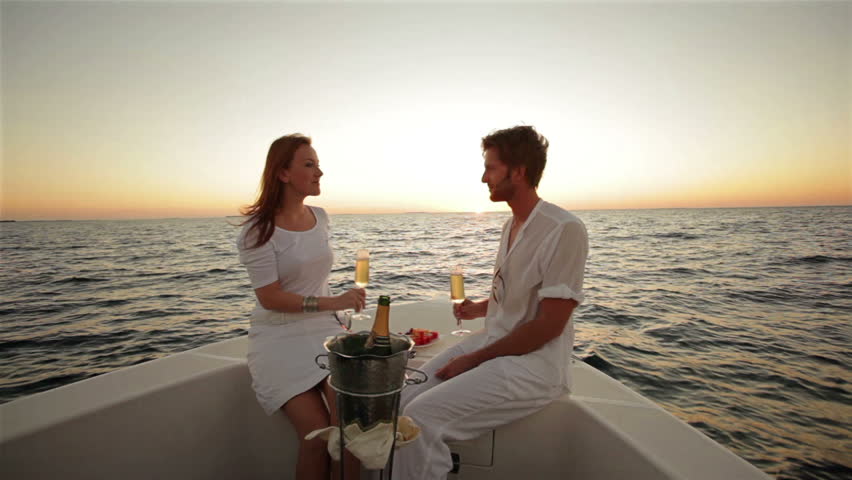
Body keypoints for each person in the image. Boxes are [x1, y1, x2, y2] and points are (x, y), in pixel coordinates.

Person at [393, 126, 589, 480]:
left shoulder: (564, 229)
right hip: (494, 342)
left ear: (519, 171)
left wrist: (472, 360)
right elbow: (515, 296)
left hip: (534, 366)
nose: (484, 178)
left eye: (491, 168)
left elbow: (549, 325)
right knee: (403, 400)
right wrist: (480, 308)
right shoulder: (511, 225)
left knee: (421, 418)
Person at [236, 134, 364, 480]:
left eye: (318, 164)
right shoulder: (257, 230)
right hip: (278, 336)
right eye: (309, 164)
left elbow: (310, 277)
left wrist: (336, 307)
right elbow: (271, 297)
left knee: (348, 429)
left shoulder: (320, 218)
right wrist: (332, 301)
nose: (319, 172)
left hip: (324, 331)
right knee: (315, 434)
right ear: (282, 173)